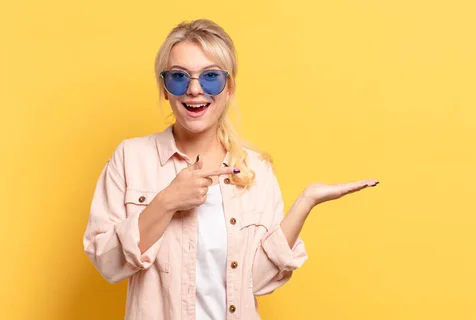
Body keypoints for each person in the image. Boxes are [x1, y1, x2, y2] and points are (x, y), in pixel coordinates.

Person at [83, 18, 378, 320]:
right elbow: (107, 263)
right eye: (179, 77)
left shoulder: (256, 171)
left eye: (210, 77)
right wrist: (167, 201)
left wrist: (306, 202)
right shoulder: (130, 158)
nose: (194, 89)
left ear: (229, 88)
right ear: (164, 89)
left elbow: (259, 282)